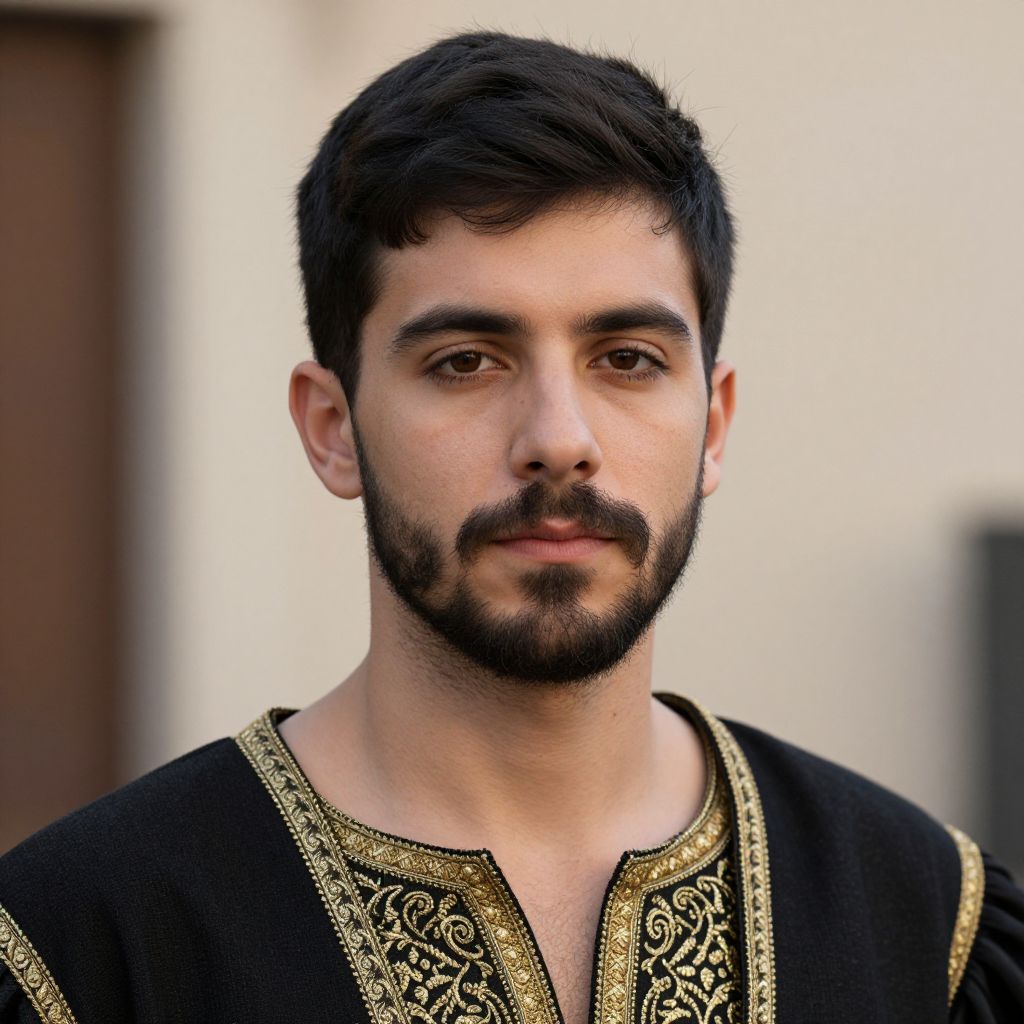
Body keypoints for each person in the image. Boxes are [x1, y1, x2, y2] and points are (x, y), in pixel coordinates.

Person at [1, 30, 1021, 1024]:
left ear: (712, 426)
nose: (559, 441)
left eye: (627, 359)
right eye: (465, 362)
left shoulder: (928, 928)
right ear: (333, 428)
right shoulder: (80, 952)